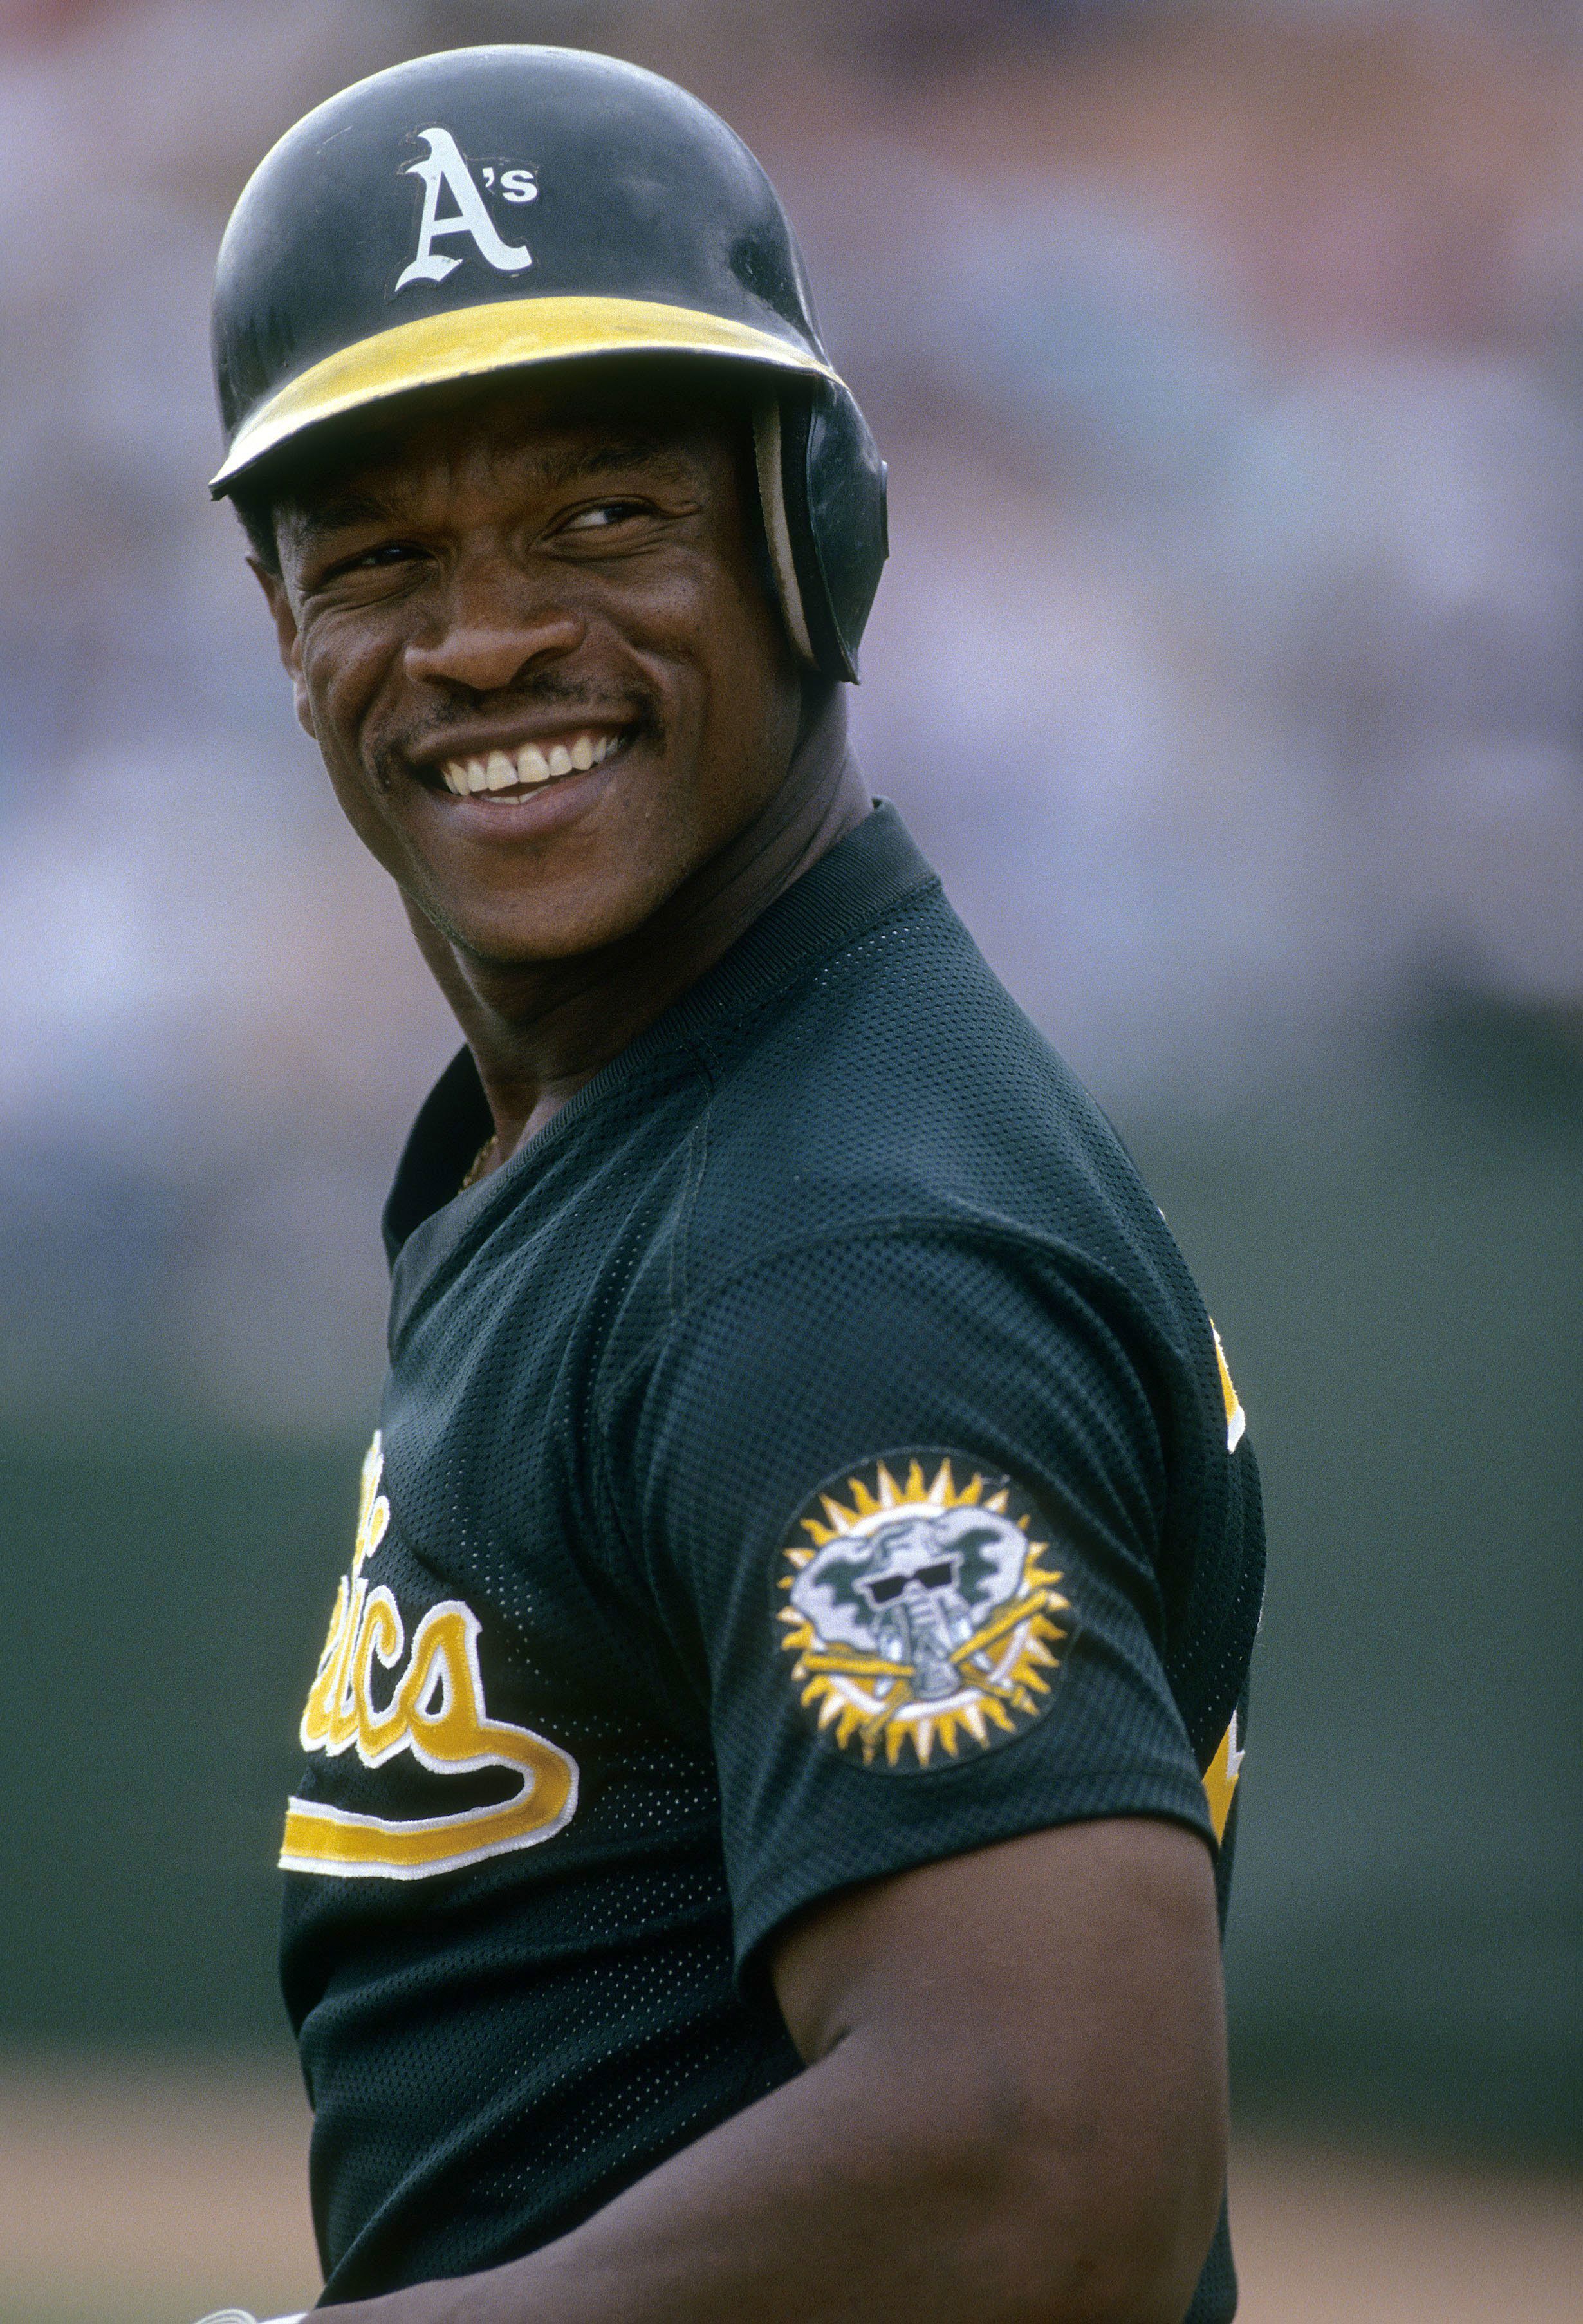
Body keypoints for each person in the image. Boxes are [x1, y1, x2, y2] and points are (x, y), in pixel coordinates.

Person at [205, 44, 1263, 2324]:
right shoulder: (642, 1123)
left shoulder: (833, 1249)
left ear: (817, 538)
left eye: (600, 521)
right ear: (285, 630)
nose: (480, 634)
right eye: (380, 557)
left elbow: (1045, 2166)